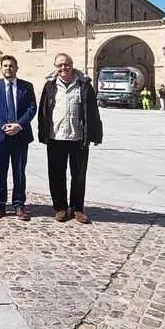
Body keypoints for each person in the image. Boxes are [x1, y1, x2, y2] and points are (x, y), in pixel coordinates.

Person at [37, 53, 104, 224]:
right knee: (56, 174)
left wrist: (95, 134)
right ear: (55, 67)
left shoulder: (84, 85)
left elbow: (92, 111)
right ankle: (60, 207)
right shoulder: (50, 86)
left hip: (78, 137)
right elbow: (43, 111)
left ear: (72, 65)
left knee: (79, 175)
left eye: (66, 64)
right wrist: (42, 133)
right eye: (59, 65)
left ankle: (77, 209)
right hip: (55, 137)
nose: (63, 68)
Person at [0, 55, 37, 221]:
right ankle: (0, 204)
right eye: (5, 65)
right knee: (0, 171)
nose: (8, 68)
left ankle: (19, 205)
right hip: (0, 135)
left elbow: (32, 108)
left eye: (11, 65)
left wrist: (18, 125)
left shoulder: (26, 87)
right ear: (1, 68)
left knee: (19, 171)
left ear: (16, 68)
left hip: (20, 135)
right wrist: (4, 125)